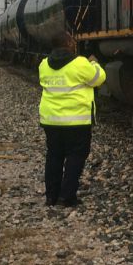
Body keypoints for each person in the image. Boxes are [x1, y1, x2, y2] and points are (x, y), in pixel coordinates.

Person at [38, 32, 106, 207]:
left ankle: (51, 196)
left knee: (54, 156)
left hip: (51, 121)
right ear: (69, 43)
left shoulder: (44, 65)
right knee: (75, 157)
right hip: (76, 121)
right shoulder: (80, 63)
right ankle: (66, 197)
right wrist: (94, 63)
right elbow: (99, 79)